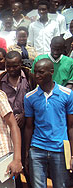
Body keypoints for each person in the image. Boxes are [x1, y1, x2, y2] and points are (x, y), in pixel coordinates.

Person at [24, 58, 73, 188]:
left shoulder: (67, 94)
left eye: (41, 72)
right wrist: (27, 153)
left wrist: (72, 154)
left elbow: (71, 126)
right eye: (35, 72)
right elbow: (29, 127)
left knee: (61, 185)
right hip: (37, 148)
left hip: (59, 149)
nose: (37, 75)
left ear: (51, 72)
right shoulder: (30, 97)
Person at [0, 51, 36, 188]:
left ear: (21, 64)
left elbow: (37, 99)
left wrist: (25, 114)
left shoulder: (30, 77)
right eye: (9, 66)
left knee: (27, 158)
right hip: (8, 127)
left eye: (15, 66)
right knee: (11, 159)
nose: (11, 69)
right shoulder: (0, 81)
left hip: (28, 126)